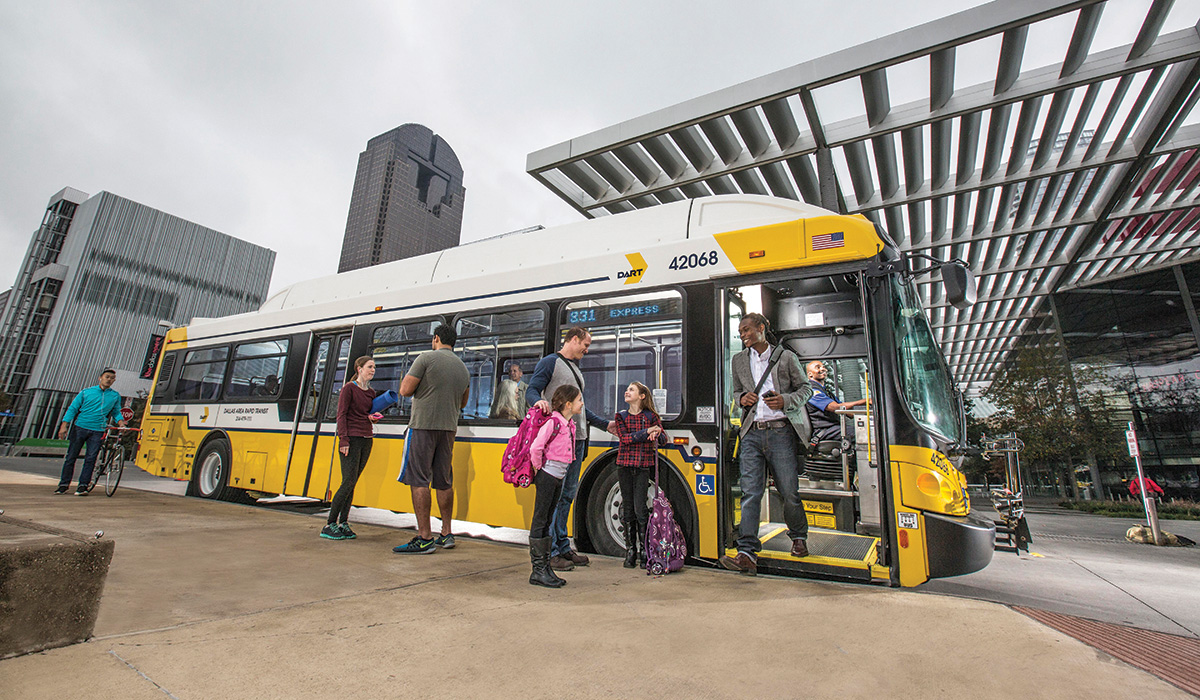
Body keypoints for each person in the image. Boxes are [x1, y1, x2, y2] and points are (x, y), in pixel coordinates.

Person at [719, 313, 813, 575]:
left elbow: (806, 389)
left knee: (789, 491)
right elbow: (734, 392)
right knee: (751, 493)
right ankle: (746, 552)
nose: (743, 335)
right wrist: (742, 399)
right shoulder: (738, 360)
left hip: (780, 432)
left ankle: (798, 537)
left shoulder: (785, 357)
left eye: (747, 329)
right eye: (740, 332)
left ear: (762, 328)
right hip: (751, 433)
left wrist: (785, 400)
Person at [526, 327, 616, 571]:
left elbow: (580, 409)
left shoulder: (575, 368)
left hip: (577, 439)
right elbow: (532, 389)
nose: (587, 350)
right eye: (585, 345)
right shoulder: (550, 363)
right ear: (573, 340)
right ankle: (552, 552)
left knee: (567, 496)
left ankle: (563, 546)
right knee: (554, 498)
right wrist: (538, 402)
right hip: (558, 442)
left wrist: (605, 425)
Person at [393, 324, 470, 554]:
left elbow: (405, 390)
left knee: (419, 480)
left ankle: (424, 536)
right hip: (448, 429)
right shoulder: (462, 367)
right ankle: (446, 533)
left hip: (422, 426)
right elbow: (463, 403)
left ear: (436, 338)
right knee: (444, 481)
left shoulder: (425, 358)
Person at [527, 385, 583, 588]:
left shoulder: (569, 424)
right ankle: (538, 569)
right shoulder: (554, 423)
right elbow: (536, 447)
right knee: (541, 518)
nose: (581, 404)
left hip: (558, 477)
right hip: (548, 477)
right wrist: (539, 469)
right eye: (579, 400)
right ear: (568, 404)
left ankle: (544, 566)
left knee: (549, 517)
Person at [321, 356, 383, 540]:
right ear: (359, 368)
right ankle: (329, 524)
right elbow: (341, 415)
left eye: (374, 367)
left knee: (353, 482)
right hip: (351, 439)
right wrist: (344, 440)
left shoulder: (371, 393)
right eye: (370, 367)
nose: (373, 370)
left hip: (366, 438)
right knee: (347, 481)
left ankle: (343, 523)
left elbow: (365, 414)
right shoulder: (349, 389)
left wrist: (372, 417)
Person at [613, 381, 669, 569]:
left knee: (640, 509)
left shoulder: (651, 416)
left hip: (643, 466)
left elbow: (663, 440)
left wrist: (658, 431)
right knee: (627, 508)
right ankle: (631, 550)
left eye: (631, 390)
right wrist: (647, 432)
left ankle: (645, 550)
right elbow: (625, 439)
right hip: (625, 466)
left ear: (642, 396)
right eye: (627, 390)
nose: (627, 392)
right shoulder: (620, 416)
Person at [55, 369, 126, 495]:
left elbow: (116, 412)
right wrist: (64, 425)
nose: (109, 380)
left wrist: (121, 423)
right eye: (107, 377)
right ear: (100, 378)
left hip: (98, 430)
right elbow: (73, 408)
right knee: (71, 457)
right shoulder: (86, 392)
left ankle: (83, 486)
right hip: (80, 427)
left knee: (91, 459)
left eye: (112, 378)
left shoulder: (115, 396)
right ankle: (64, 485)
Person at [805, 361, 867, 442]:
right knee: (862, 433)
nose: (823, 369)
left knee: (865, 429)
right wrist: (865, 401)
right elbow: (835, 407)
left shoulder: (827, 392)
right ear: (810, 374)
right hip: (824, 430)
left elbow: (846, 410)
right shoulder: (812, 391)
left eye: (823, 367)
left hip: (834, 428)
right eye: (818, 367)